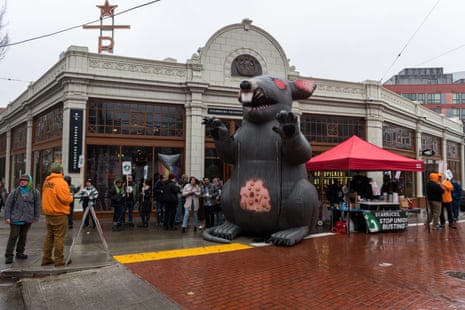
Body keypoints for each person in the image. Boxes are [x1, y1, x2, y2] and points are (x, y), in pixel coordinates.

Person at [41, 163, 73, 267]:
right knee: (59, 237)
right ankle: (59, 260)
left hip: (48, 212)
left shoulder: (47, 181)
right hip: (59, 213)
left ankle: (46, 258)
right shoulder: (61, 182)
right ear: (61, 171)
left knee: (49, 236)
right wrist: (71, 197)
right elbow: (65, 199)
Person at [4, 174, 41, 264]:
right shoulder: (15, 192)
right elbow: (8, 205)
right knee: (13, 237)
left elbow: (37, 206)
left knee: (23, 237)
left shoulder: (35, 193)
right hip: (15, 219)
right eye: (21, 180)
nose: (22, 182)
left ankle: (20, 252)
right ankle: (9, 255)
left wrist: (36, 217)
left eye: (24, 180)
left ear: (29, 182)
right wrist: (7, 217)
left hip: (27, 219)